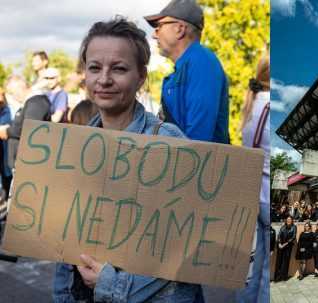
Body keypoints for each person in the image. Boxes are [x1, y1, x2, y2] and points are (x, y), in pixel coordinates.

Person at [52, 17, 203, 302]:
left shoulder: (168, 142)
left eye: (119, 68)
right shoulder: (72, 147)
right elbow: (64, 251)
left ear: (141, 76)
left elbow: (190, 247)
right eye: (94, 68)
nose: (104, 79)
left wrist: (112, 283)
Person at [145, 0, 229, 143]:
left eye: (159, 26)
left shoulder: (202, 63)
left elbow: (198, 140)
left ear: (180, 29)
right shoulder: (186, 67)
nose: (154, 35)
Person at [235, 55, 269, 302]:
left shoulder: (252, 105)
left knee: (251, 266)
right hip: (265, 195)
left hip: (251, 193)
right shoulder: (268, 105)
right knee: (266, 267)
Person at [274, 216, 296, 282]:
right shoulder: (283, 226)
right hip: (280, 246)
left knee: (286, 262)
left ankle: (284, 276)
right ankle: (277, 277)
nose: (288, 220)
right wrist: (279, 243)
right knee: (278, 261)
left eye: (290, 219)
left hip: (288, 246)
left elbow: (293, 237)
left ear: (292, 220)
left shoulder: (294, 227)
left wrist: (285, 244)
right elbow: (279, 235)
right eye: (287, 219)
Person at [0, 88, 11, 200]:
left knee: (6, 173)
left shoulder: (5, 110)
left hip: (3, 147)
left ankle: (6, 196)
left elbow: (4, 128)